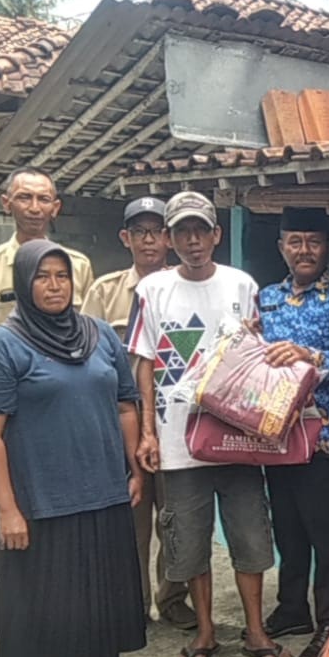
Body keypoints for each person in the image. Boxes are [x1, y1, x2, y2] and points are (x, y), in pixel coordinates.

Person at [0, 240, 146, 657]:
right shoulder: (1, 346)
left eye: (62, 276)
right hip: (39, 492)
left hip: (103, 483)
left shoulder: (100, 334)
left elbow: (126, 404)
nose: (54, 285)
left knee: (101, 579)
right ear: (24, 284)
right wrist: (7, 509)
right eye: (42, 276)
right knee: (37, 588)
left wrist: (132, 466)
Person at [129, 191, 294, 657]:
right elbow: (143, 364)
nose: (193, 240)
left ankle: (255, 630)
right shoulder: (152, 291)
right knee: (190, 541)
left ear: (217, 235)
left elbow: (260, 354)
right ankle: (204, 631)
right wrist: (148, 433)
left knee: (249, 536)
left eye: (201, 230)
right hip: (178, 441)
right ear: (169, 237)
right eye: (182, 231)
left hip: (237, 437)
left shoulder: (242, 284)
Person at [258, 207, 329, 657]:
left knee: (327, 531)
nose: (305, 251)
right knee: (287, 525)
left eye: (314, 242)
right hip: (273, 434)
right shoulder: (265, 300)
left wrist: (310, 355)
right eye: (296, 241)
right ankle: (291, 609)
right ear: (282, 246)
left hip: (324, 434)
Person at [82, 197, 195, 631]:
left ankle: (172, 598)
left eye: (157, 231)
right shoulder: (105, 291)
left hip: (173, 421)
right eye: (139, 231)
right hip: (118, 422)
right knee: (130, 517)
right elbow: (85, 356)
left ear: (169, 239)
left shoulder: (185, 287)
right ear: (124, 238)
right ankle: (132, 601)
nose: (149, 239)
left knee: (175, 516)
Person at [0, 167, 94, 454]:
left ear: (55, 208)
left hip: (67, 398)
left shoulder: (77, 265)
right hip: (11, 399)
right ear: (7, 203)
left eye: (43, 199)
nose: (34, 208)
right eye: (24, 198)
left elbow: (92, 339)